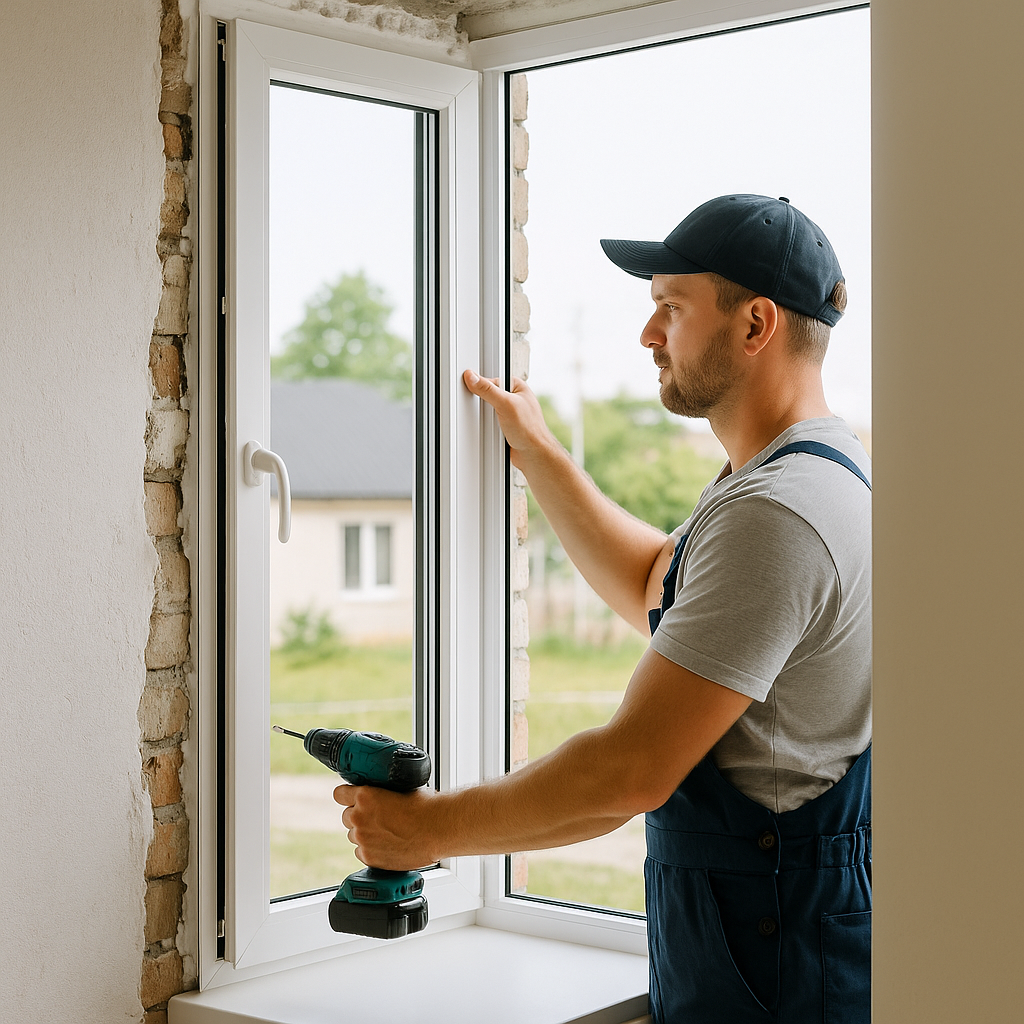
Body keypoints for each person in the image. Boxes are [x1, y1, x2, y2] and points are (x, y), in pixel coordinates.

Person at [335, 194, 872, 1024]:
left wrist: (426, 832)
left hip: (775, 979)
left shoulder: (780, 512)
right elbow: (657, 582)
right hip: (767, 956)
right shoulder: (802, 474)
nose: (648, 334)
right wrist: (539, 454)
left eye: (670, 307)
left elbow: (629, 771)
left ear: (756, 324)